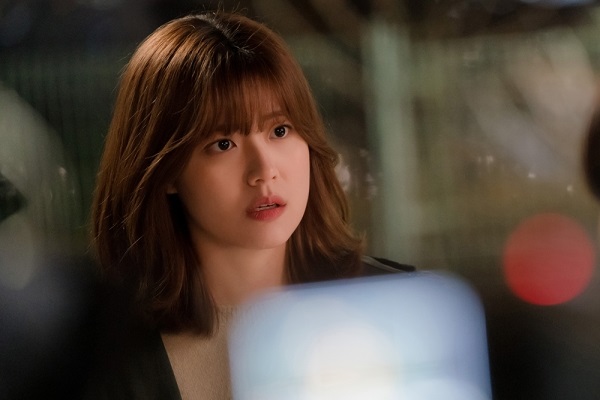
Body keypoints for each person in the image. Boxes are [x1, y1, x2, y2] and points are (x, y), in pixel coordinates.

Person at [86, 11, 412, 399]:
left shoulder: (403, 308)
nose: (264, 171)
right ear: (166, 171)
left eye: (280, 130)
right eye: (223, 144)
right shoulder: (102, 357)